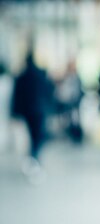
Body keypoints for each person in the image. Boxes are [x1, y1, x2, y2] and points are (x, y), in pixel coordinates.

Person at [11, 52, 54, 181]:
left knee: (33, 135)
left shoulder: (22, 76)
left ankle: (33, 157)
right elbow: (49, 91)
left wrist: (15, 112)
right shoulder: (41, 75)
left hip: (28, 112)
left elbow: (17, 96)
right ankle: (35, 157)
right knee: (38, 135)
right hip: (40, 111)